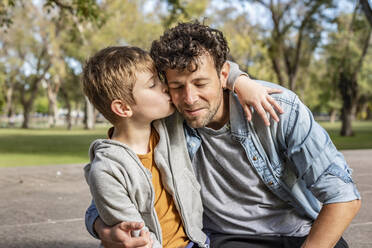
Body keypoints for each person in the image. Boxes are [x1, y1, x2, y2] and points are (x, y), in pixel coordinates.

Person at [86, 22, 361, 248]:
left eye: (200, 83)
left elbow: (343, 196)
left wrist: (241, 81)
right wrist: (103, 228)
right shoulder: (168, 120)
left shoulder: (280, 108)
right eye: (176, 86)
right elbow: (111, 190)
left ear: (223, 74)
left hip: (297, 233)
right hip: (227, 239)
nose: (189, 99)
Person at [82, 45, 283, 248]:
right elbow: (137, 240)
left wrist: (241, 82)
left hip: (197, 242)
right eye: (153, 84)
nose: (165, 87)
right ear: (123, 108)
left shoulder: (167, 125)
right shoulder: (107, 170)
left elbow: (210, 67)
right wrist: (99, 226)